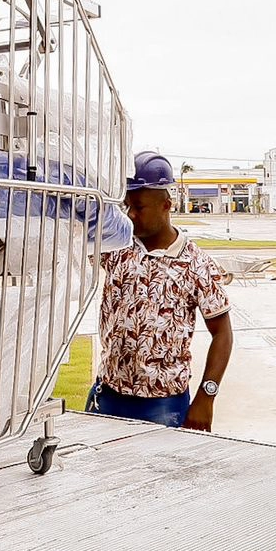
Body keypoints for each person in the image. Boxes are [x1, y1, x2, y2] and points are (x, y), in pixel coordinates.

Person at [86, 151, 233, 429]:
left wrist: (206, 397)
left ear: (166, 205)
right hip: (107, 396)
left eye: (138, 207)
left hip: (163, 406)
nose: (129, 215)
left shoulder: (196, 264)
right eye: (126, 206)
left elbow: (223, 334)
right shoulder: (115, 248)